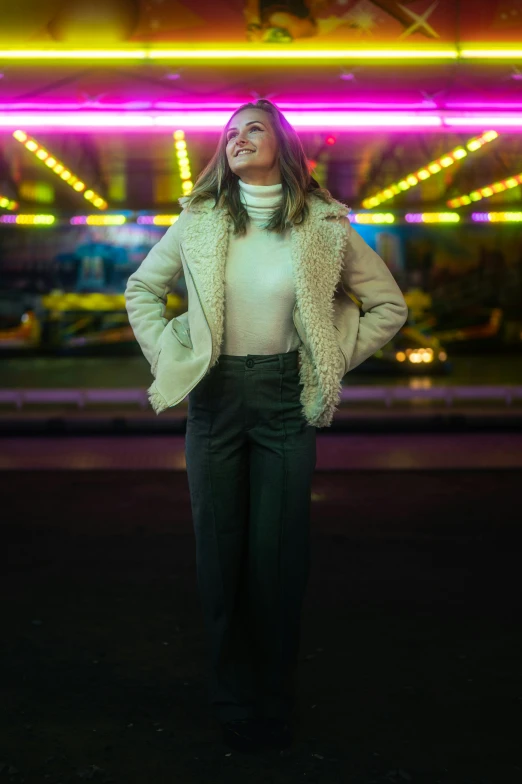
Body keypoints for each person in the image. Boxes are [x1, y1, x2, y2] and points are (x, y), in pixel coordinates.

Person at [124, 99, 408, 753]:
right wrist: (173, 353)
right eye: (228, 133)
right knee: (220, 556)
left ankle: (275, 700)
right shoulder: (198, 220)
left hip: (285, 401)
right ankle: (231, 699)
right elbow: (142, 289)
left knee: (279, 559)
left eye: (252, 128)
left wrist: (328, 358)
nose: (237, 138)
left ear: (281, 140)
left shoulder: (325, 223)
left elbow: (388, 306)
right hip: (214, 400)